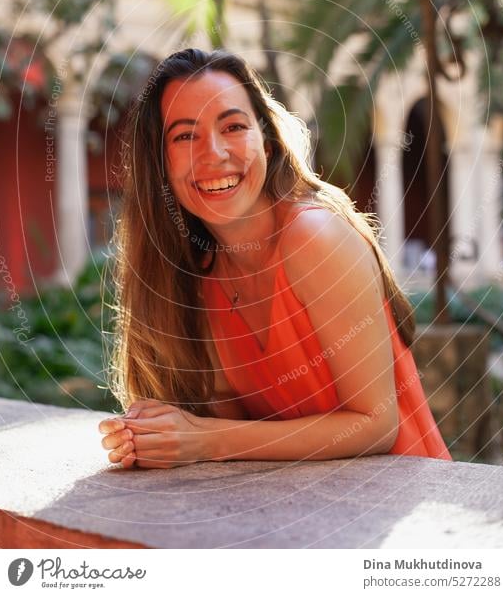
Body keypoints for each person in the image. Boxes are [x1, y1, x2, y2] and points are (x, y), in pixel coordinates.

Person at [98, 47, 452, 468]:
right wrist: (155, 432)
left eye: (232, 126)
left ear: (265, 143)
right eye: (185, 135)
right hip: (297, 510)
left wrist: (204, 441)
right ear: (159, 164)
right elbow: (238, 420)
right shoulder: (202, 270)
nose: (213, 153)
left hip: (398, 509)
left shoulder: (313, 238)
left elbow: (376, 425)